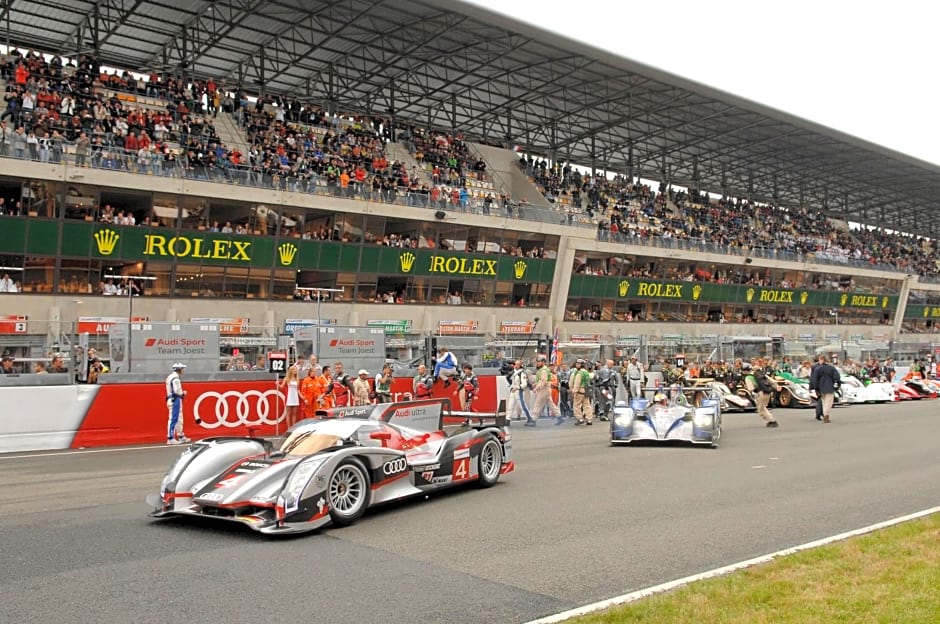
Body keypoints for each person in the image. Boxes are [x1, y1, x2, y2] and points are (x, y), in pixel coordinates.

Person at [743, 361, 779, 428]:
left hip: (760, 393)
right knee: (763, 407)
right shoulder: (759, 373)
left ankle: (772, 421)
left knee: (761, 410)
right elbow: (772, 381)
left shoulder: (748, 377)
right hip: (767, 392)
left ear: (745, 371)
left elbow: (750, 389)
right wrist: (776, 386)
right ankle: (770, 420)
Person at [531, 355, 563, 425]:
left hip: (544, 389)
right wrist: (536, 384)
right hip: (546, 389)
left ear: (543, 362)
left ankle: (533, 420)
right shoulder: (542, 369)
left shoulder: (544, 370)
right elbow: (541, 380)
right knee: (551, 405)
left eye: (539, 362)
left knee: (537, 404)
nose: (537, 363)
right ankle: (559, 417)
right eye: (537, 362)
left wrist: (536, 388)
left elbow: (543, 381)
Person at [809, 355, 841, 424]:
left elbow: (814, 379)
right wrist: (837, 384)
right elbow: (837, 377)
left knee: (823, 402)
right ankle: (826, 415)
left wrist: (815, 388)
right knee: (828, 402)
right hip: (829, 387)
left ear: (821, 360)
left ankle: (824, 413)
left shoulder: (817, 369)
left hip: (821, 388)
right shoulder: (831, 368)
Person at [165, 362, 190, 444]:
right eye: (182, 369)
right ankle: (170, 438)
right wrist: (183, 393)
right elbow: (176, 391)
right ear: (179, 370)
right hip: (175, 399)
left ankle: (180, 436)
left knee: (179, 419)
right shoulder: (176, 378)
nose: (183, 370)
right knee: (173, 419)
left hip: (173, 399)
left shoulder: (170, 376)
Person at [507, 359, 535, 426]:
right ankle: (507, 420)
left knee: (523, 406)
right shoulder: (514, 372)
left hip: (518, 391)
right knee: (510, 406)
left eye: (517, 364)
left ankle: (530, 419)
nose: (515, 365)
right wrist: (512, 387)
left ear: (520, 365)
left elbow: (524, 384)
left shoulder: (522, 373)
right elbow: (511, 380)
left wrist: (517, 388)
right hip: (513, 391)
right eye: (515, 364)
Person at [278, 358, 301, 428]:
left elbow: (298, 389)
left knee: (294, 413)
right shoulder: (287, 378)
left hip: (295, 397)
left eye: (295, 369)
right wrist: (277, 384)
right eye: (293, 370)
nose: (295, 371)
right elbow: (281, 387)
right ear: (290, 371)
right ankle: (289, 428)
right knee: (289, 413)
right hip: (289, 397)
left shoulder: (297, 378)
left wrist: (301, 396)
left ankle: (293, 427)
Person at [570, 359, 594, 426]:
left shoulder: (579, 373)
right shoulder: (586, 372)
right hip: (586, 391)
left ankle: (580, 418)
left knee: (576, 405)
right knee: (587, 405)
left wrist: (574, 391)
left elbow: (577, 383)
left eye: (578, 364)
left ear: (581, 365)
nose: (576, 365)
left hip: (579, 391)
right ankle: (589, 419)